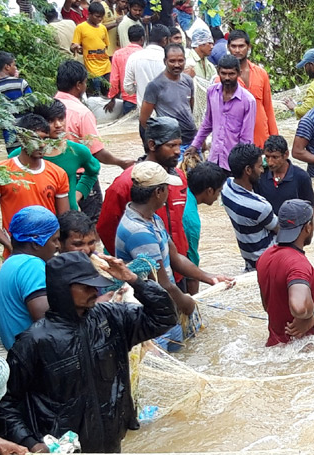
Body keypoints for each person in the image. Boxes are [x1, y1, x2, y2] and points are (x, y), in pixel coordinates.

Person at [0, 252, 176, 455]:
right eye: (86, 286)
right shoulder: (34, 341)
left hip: (110, 448)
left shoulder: (111, 318)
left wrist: (133, 279)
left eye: (95, 284)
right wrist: (31, 443)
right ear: (62, 289)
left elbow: (164, 317)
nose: (94, 290)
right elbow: (4, 403)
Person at [115, 161, 235, 351]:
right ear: (158, 192)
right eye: (167, 188)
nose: (170, 192)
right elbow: (162, 284)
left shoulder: (152, 218)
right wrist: (186, 303)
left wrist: (209, 277)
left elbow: (176, 258)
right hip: (152, 317)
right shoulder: (139, 232)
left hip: (167, 308)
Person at [97, 117, 189, 259]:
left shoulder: (179, 178)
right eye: (171, 146)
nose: (178, 151)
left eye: (179, 145)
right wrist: (130, 262)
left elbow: (182, 221)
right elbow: (106, 228)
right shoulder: (126, 183)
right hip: (145, 268)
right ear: (152, 145)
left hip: (179, 263)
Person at [256, 199, 314, 346]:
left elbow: (269, 305)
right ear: (308, 227)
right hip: (305, 349)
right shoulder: (297, 264)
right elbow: (299, 307)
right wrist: (308, 317)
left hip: (278, 346)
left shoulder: (265, 257)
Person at [0, 114, 70, 254]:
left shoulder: (58, 173)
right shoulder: (1, 172)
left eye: (44, 138)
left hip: (48, 254)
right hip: (15, 254)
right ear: (21, 138)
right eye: (35, 138)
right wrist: (9, 245)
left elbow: (64, 219)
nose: (41, 144)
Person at [0, 206, 61, 350]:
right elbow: (47, 323)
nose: (58, 246)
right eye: (54, 240)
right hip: (36, 362)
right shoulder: (32, 266)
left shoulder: (10, 264)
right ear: (36, 243)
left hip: (18, 358)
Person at [54, 59, 131, 175]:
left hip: (51, 174)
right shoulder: (82, 113)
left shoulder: (46, 107)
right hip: (79, 176)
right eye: (85, 83)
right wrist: (121, 163)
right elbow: (97, 152)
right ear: (79, 85)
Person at [26, 101, 103, 213]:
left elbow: (93, 171)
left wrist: (76, 196)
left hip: (69, 217)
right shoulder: (24, 154)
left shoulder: (78, 151)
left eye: (61, 119)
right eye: (50, 121)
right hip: (40, 218)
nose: (58, 125)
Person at [191, 54, 257, 170]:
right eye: (223, 73)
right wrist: (195, 145)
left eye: (231, 74)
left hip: (233, 164)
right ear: (218, 72)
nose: (227, 78)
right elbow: (207, 123)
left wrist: (240, 165)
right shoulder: (212, 92)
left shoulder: (248, 100)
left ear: (239, 73)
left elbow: (246, 138)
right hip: (214, 160)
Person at [221, 142, 278, 270]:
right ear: (248, 170)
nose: (263, 170)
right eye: (259, 166)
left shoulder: (226, 189)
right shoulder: (260, 207)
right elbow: (281, 230)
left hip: (249, 259)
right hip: (268, 262)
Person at [227, 29, 279, 148]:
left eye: (241, 46)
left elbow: (268, 109)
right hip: (236, 144)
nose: (237, 50)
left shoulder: (261, 73)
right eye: (233, 46)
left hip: (261, 139)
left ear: (248, 47)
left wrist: (275, 138)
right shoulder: (223, 79)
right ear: (228, 48)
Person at [140, 45, 197, 148]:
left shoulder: (188, 80)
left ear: (185, 60)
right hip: (171, 143)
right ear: (164, 61)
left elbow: (190, 109)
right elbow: (144, 120)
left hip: (191, 140)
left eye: (180, 61)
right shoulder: (155, 86)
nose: (177, 65)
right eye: (172, 61)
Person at [257, 135, 314, 216]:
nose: (270, 162)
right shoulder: (260, 175)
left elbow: (312, 208)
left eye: (275, 157)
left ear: (286, 154)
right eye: (267, 156)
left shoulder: (301, 177)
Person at [184, 161, 229, 267]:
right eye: (219, 191)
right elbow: (192, 261)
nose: (218, 196)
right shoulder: (191, 221)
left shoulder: (183, 193)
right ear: (209, 191)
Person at [71, 1, 111, 96]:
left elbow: (106, 45)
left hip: (106, 66)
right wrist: (77, 47)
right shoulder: (80, 28)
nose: (100, 19)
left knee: (108, 93)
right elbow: (73, 45)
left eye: (102, 17)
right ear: (89, 14)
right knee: (96, 95)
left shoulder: (103, 28)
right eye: (97, 16)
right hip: (92, 68)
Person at [124, 23, 169, 106]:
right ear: (165, 40)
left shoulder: (134, 58)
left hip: (144, 112)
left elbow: (128, 88)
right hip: (165, 111)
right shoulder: (169, 59)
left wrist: (141, 88)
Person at [104, 23, 143, 119]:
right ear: (143, 38)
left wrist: (112, 98)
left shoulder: (118, 54)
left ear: (129, 38)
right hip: (145, 99)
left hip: (128, 99)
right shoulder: (146, 54)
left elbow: (114, 79)